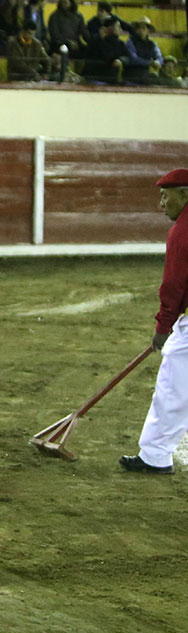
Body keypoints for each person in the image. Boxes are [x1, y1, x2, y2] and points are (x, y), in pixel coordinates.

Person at [120, 169, 188, 475]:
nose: (161, 203)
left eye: (166, 195)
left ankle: (155, 456)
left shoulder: (182, 232)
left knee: (174, 387)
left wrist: (163, 327)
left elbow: (173, 285)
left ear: (185, 194)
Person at [82, 16, 129, 84]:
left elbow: (127, 57)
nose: (120, 29)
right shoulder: (95, 41)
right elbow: (107, 56)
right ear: (109, 28)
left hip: (111, 79)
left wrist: (121, 60)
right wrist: (101, 39)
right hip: (95, 78)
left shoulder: (120, 43)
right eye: (118, 26)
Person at [124, 17, 163, 85]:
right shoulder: (130, 42)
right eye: (138, 28)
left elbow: (159, 57)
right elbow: (133, 59)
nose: (141, 30)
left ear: (148, 30)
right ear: (136, 30)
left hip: (145, 75)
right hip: (132, 76)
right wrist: (149, 63)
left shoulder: (152, 44)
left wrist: (157, 62)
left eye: (143, 28)